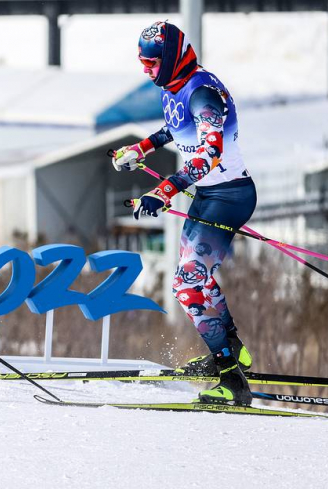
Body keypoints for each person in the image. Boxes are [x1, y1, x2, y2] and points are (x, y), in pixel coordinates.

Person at [111, 21, 257, 405]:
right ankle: (232, 351)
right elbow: (176, 128)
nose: (146, 69)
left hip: (229, 195)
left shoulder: (203, 92)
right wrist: (140, 149)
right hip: (209, 196)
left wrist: (164, 191)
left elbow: (210, 152)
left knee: (187, 285)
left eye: (152, 62)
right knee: (197, 281)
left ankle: (232, 382)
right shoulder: (176, 88)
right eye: (142, 63)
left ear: (172, 57)